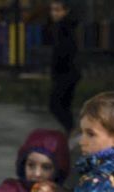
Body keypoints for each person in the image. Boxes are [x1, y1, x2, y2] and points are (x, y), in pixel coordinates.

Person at [44, 0, 81, 132]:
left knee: (56, 105)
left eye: (57, 10)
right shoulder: (61, 26)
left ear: (65, 11)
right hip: (67, 73)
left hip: (66, 72)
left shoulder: (63, 27)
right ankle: (71, 131)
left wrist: (57, 70)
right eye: (52, 10)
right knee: (63, 106)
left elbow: (63, 51)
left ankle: (72, 130)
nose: (54, 13)